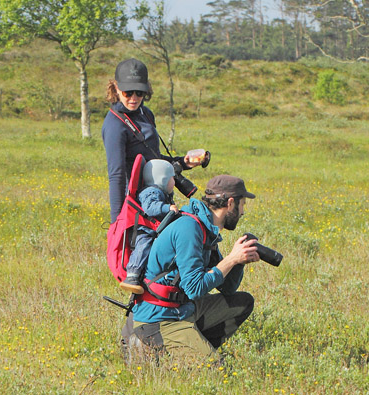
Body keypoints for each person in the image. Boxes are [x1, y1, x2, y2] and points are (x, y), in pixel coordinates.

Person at [127, 175, 259, 363]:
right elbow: (194, 288)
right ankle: (158, 348)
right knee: (215, 370)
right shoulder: (190, 228)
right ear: (230, 204)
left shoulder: (206, 228)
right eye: (242, 204)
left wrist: (238, 263)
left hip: (182, 308)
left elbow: (228, 289)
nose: (243, 212)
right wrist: (231, 259)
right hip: (159, 318)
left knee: (242, 303)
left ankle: (196, 347)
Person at [101, 58, 202, 224]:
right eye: (128, 92)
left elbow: (153, 158)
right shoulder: (114, 126)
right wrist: (117, 223)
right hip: (137, 204)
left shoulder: (145, 113)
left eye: (139, 92)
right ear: (117, 89)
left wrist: (183, 162)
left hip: (159, 198)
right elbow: (116, 176)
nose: (134, 98)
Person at [120, 159, 179, 294]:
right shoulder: (151, 192)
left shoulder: (161, 193)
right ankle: (132, 275)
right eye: (172, 179)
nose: (174, 183)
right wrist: (166, 207)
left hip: (154, 229)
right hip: (144, 230)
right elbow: (150, 208)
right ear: (162, 179)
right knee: (144, 246)